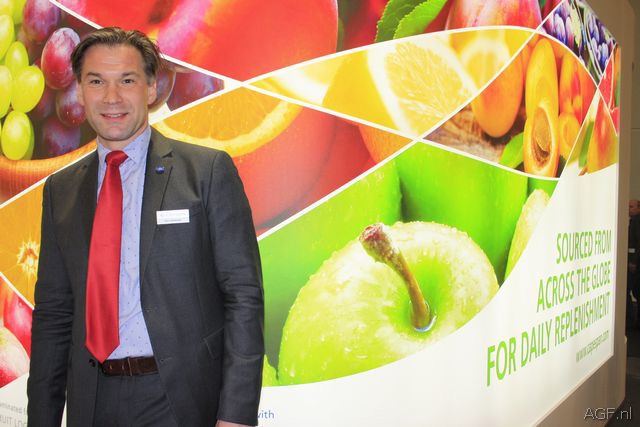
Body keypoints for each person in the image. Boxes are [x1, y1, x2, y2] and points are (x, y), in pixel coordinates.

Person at [27, 27, 264, 427]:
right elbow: (54, 316)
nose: (111, 97)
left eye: (127, 80)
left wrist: (236, 415)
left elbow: (243, 296)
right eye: (96, 82)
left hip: (178, 401)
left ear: (151, 88)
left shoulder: (206, 173)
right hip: (92, 402)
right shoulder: (59, 191)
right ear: (80, 92)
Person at [628, 199, 640, 330]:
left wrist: (633, 261)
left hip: (634, 264)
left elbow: (636, 244)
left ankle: (631, 321)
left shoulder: (636, 222)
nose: (628, 209)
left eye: (631, 207)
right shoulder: (633, 221)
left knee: (632, 289)